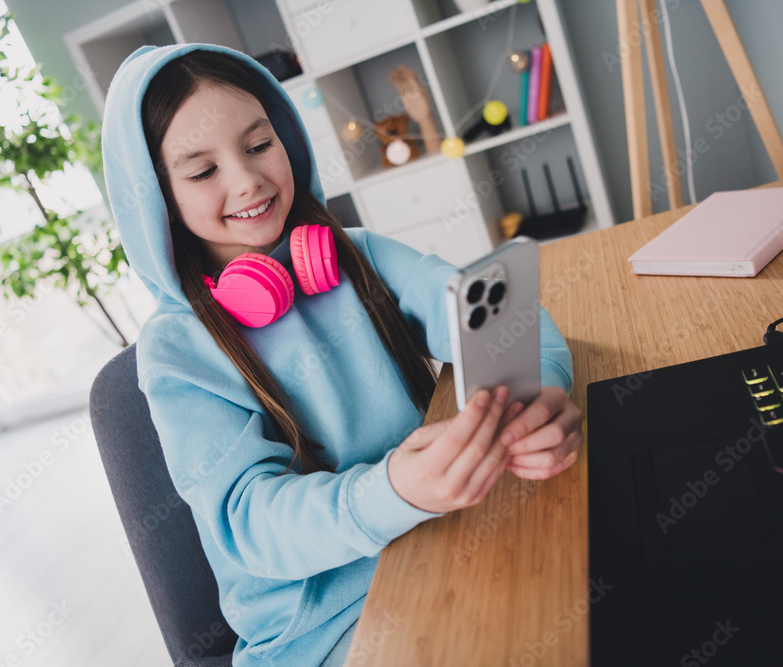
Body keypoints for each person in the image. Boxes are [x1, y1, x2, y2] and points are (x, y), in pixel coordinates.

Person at [101, 43, 582, 666]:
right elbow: (251, 523)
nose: (247, 180)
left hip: (441, 535)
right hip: (324, 628)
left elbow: (494, 313)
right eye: (201, 171)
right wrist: (391, 491)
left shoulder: (357, 253)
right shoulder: (176, 351)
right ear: (157, 200)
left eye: (258, 145)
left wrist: (541, 393)